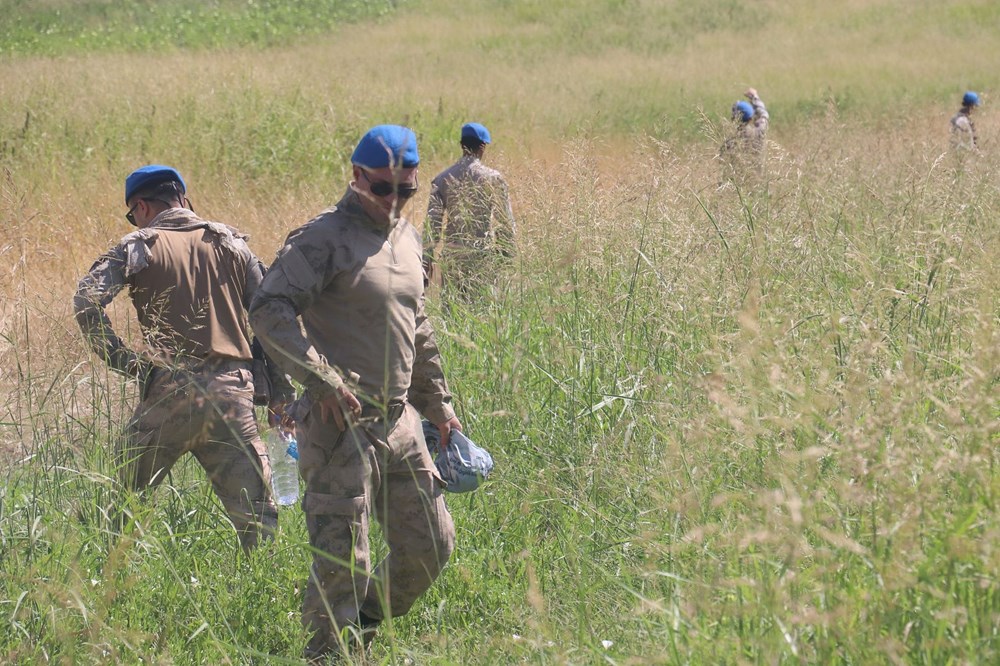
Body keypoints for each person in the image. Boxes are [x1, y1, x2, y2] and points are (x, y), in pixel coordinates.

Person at [248, 125, 461, 661]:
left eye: (405, 190)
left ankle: (362, 628)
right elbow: (268, 310)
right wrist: (322, 379)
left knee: (431, 546)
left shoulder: (408, 239)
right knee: (344, 568)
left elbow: (418, 324)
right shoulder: (323, 239)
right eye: (382, 188)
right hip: (339, 428)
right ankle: (329, 653)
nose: (393, 200)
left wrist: (439, 405)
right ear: (357, 176)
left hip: (401, 423)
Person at [73, 165, 291, 551]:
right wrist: (279, 392)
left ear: (141, 206)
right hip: (232, 394)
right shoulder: (232, 244)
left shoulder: (138, 245)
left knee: (122, 507)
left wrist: (129, 363)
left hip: (169, 390)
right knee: (258, 518)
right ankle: (263, 590)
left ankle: (107, 586)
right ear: (183, 200)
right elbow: (270, 316)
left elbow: (86, 301)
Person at [424, 122, 515, 298]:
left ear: (461, 145)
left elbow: (431, 227)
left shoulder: (442, 179)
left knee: (452, 313)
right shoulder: (493, 179)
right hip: (483, 256)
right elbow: (506, 222)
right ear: (483, 146)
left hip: (453, 258)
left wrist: (426, 261)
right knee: (484, 314)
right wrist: (505, 256)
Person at [720, 87, 769, 182]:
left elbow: (722, 163)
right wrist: (755, 97)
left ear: (734, 119)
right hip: (758, 182)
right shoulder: (760, 131)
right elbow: (764, 115)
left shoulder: (730, 142)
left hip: (739, 184)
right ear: (751, 118)